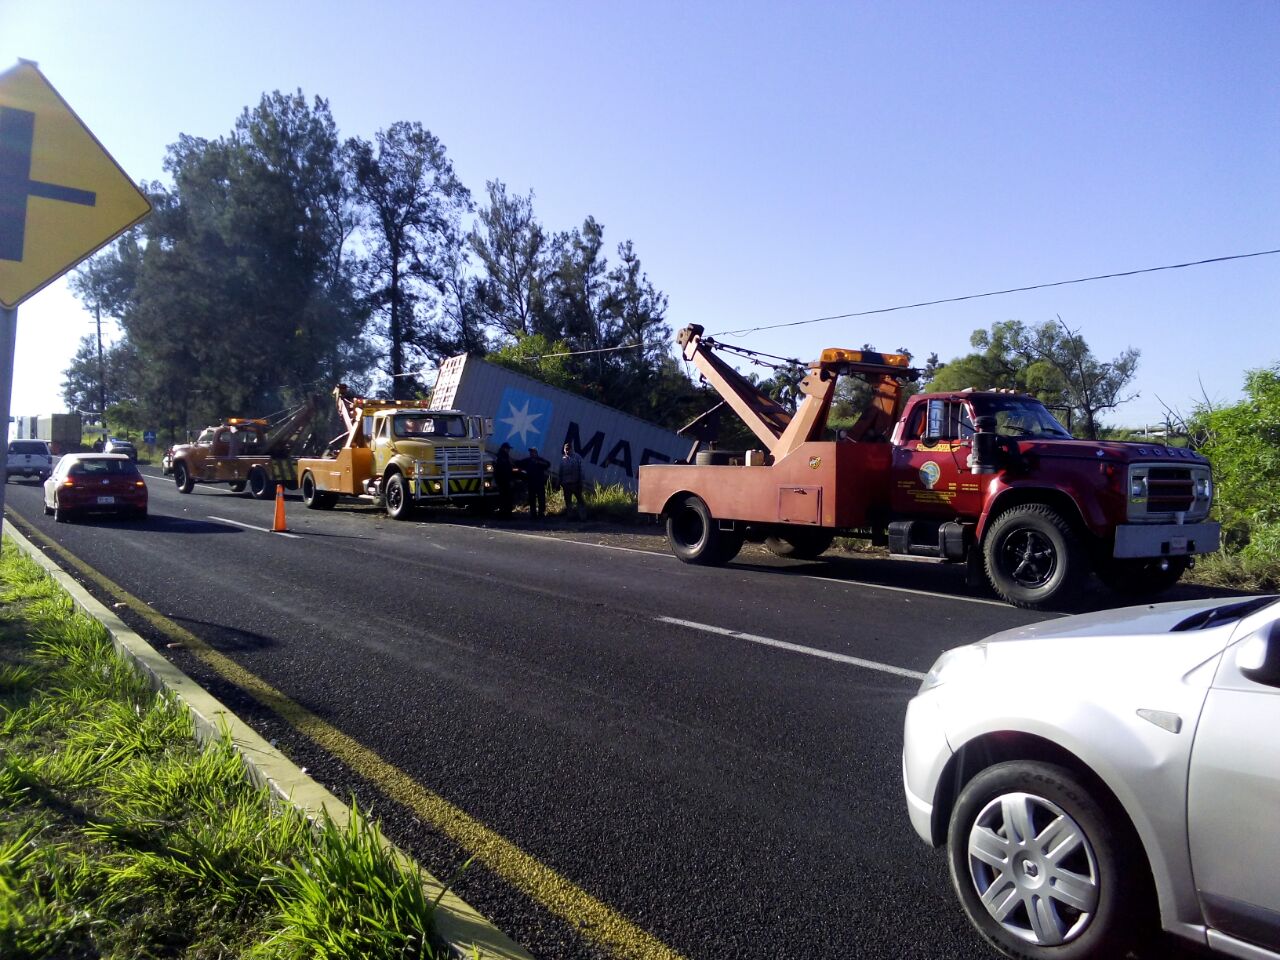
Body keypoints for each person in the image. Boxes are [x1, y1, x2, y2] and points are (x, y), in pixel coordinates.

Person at [516, 446, 551, 519]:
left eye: (532, 452)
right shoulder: (528, 460)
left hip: (539, 483)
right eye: (530, 452)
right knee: (532, 499)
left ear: (536, 453)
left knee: (541, 499)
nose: (531, 453)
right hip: (531, 483)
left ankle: (541, 513)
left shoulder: (540, 460)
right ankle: (533, 514)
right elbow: (519, 463)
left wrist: (538, 462)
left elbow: (548, 464)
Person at [558, 441, 586, 520]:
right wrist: (558, 483)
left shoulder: (577, 457)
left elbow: (582, 470)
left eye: (568, 449)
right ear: (564, 450)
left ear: (571, 449)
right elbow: (560, 473)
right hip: (566, 485)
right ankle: (570, 517)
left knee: (580, 500)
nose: (567, 451)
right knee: (568, 501)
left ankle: (583, 517)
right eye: (565, 449)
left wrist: (581, 482)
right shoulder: (563, 460)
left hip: (576, 484)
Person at [494, 442, 515, 516]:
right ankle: (506, 514)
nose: (509, 450)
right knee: (507, 497)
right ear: (504, 448)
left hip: (501, 481)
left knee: (503, 497)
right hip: (504, 481)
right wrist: (509, 480)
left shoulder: (500, 456)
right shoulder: (503, 457)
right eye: (508, 449)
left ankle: (504, 513)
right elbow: (505, 470)